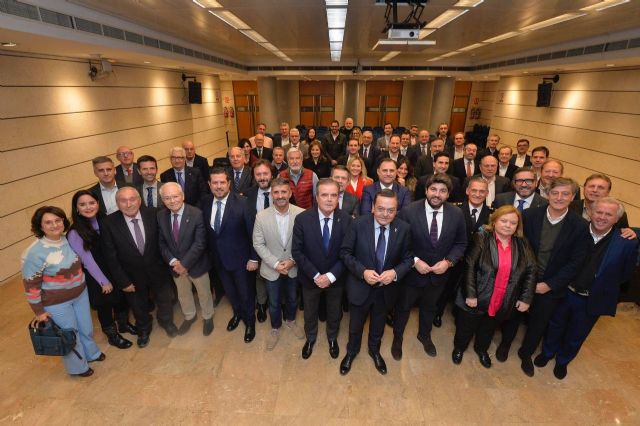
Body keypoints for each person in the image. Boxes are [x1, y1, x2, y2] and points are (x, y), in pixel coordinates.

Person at [534, 197, 639, 380]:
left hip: (592, 297)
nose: (602, 217)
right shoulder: (575, 231)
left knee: (578, 332)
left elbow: (625, 273)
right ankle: (548, 353)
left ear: (617, 219)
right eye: (599, 212)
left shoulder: (626, 242)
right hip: (564, 291)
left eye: (609, 214)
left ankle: (563, 361)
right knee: (555, 324)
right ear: (591, 212)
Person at [497, 177, 590, 377]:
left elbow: (575, 262)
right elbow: (517, 246)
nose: (559, 197)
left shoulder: (580, 226)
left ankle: (526, 354)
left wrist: (550, 285)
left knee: (539, 323)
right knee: (513, 316)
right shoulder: (530, 215)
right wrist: (522, 278)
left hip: (550, 286)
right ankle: (505, 345)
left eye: (565, 194)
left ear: (573, 197)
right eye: (555, 193)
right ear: (547, 194)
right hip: (522, 279)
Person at [391, 174, 467, 360]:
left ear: (448, 194)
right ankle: (397, 338)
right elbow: (399, 243)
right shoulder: (409, 211)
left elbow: (461, 243)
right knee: (403, 307)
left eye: (442, 191)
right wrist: (415, 261)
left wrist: (448, 262)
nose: (437, 194)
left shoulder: (456, 214)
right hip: (411, 274)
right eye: (433, 189)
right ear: (425, 190)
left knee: (430, 307)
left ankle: (424, 335)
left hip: (439, 276)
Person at [22, 206, 104, 377]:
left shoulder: (69, 240)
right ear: (40, 226)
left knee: (86, 327)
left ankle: (91, 353)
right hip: (56, 303)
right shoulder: (34, 252)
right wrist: (39, 312)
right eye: (48, 222)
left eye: (58, 220)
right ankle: (78, 367)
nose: (54, 225)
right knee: (69, 334)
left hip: (80, 294)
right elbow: (31, 286)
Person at [339, 190, 413, 375]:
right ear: (372, 207)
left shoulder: (404, 229)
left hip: (386, 291)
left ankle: (374, 350)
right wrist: (362, 272)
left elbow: (409, 259)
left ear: (397, 210)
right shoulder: (357, 224)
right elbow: (345, 253)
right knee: (355, 326)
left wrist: (395, 273)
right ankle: (351, 352)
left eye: (391, 210)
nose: (385, 214)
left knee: (378, 326)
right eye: (380, 209)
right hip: (360, 288)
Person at [452, 206, 536, 367]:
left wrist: (526, 298)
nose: (507, 225)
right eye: (504, 221)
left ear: (517, 226)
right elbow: (469, 265)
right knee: (466, 326)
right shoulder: (482, 237)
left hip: (503, 298)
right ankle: (459, 348)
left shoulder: (523, 243)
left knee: (489, 328)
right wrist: (470, 294)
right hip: (478, 295)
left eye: (513, 222)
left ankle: (481, 349)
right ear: (495, 221)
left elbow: (531, 271)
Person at [101, 187, 178, 347]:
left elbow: (164, 241)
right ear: (117, 203)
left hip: (158, 270)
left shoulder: (155, 214)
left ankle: (166, 322)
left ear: (139, 200)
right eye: (123, 200)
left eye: (132, 199)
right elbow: (111, 257)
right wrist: (123, 281)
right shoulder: (109, 223)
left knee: (165, 299)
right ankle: (144, 329)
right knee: (138, 305)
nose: (129, 204)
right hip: (131, 275)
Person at [293, 179, 352, 359]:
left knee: (335, 311)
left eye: (333, 195)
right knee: (310, 312)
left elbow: (348, 252)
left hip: (336, 279)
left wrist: (331, 276)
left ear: (338, 197)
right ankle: (310, 338)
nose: (329, 199)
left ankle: (332, 338)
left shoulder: (347, 220)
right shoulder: (302, 219)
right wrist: (317, 275)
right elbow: (297, 251)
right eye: (324, 195)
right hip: (311, 279)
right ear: (316, 197)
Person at [68, 190, 133, 350]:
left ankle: (124, 325)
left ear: (98, 203)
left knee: (120, 300)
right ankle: (112, 335)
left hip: (114, 268)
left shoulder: (105, 219)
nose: (88, 207)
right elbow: (87, 260)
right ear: (76, 208)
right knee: (105, 306)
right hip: (97, 276)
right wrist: (103, 281)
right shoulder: (75, 232)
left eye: (91, 203)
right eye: (82, 204)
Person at [201, 167, 259, 343]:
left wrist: (254, 258)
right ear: (209, 184)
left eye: (222, 182)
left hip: (242, 261)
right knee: (230, 292)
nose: (218, 186)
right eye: (215, 183)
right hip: (218, 260)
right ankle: (237, 314)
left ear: (229, 183)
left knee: (245, 293)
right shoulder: (204, 202)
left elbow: (253, 233)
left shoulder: (243, 203)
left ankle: (249, 321)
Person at [252, 177, 305, 351]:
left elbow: (305, 243)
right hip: (271, 269)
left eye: (284, 192)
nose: (280, 195)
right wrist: (275, 264)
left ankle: (290, 320)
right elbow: (258, 244)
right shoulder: (261, 217)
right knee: (273, 302)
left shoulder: (302, 214)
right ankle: (275, 327)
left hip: (293, 267)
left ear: (290, 193)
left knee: (292, 298)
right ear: (271, 194)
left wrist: (292, 261)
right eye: (276, 192)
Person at [433, 177, 492, 328]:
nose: (477, 194)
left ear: (486, 193)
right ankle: (437, 313)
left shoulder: (492, 215)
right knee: (445, 289)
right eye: (474, 190)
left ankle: (459, 315)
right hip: (455, 259)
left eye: (481, 191)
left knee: (468, 291)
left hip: (477, 263)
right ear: (467, 191)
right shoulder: (453, 209)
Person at [158, 182, 214, 336]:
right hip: (175, 266)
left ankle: (208, 316)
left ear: (182, 196)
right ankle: (190, 316)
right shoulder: (161, 216)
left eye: (175, 196)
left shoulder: (196, 213)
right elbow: (161, 242)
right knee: (183, 293)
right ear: (163, 200)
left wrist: (185, 263)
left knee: (204, 292)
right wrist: (173, 262)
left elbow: (200, 242)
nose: (172, 201)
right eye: (167, 198)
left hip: (196, 264)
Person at [244, 159, 275, 323]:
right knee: (260, 277)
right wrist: (252, 255)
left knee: (278, 276)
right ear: (254, 176)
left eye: (265, 173)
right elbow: (246, 226)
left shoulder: (282, 191)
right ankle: (262, 304)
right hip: (257, 245)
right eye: (258, 174)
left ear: (271, 174)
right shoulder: (248, 194)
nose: (262, 177)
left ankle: (279, 304)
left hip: (278, 246)